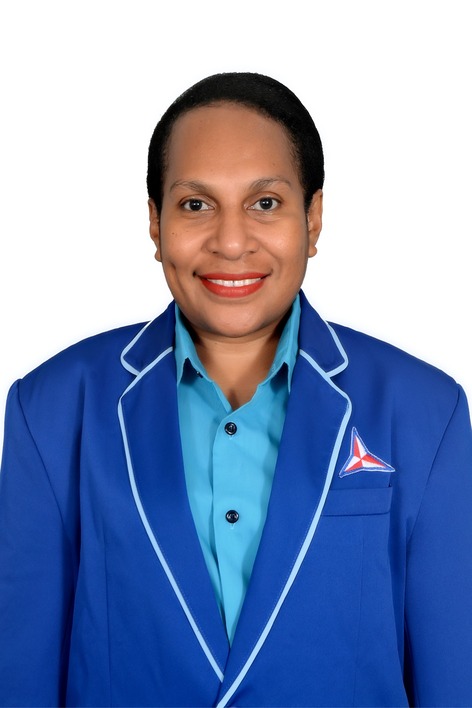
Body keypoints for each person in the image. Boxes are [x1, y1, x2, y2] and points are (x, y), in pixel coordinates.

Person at [0, 72, 471, 708]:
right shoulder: (50, 411)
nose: (229, 242)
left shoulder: (427, 412)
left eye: (265, 203)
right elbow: (21, 678)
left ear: (313, 218)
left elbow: (453, 680)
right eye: (195, 205)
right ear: (154, 222)